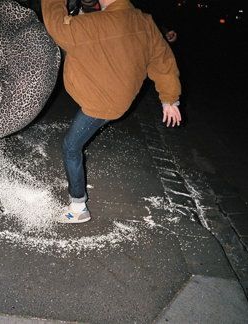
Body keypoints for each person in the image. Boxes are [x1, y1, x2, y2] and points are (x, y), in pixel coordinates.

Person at [41, 0, 182, 223]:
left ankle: (78, 206)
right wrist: (170, 99)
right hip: (118, 99)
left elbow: (58, 27)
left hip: (103, 103)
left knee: (71, 146)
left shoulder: (98, 23)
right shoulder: (144, 21)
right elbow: (162, 61)